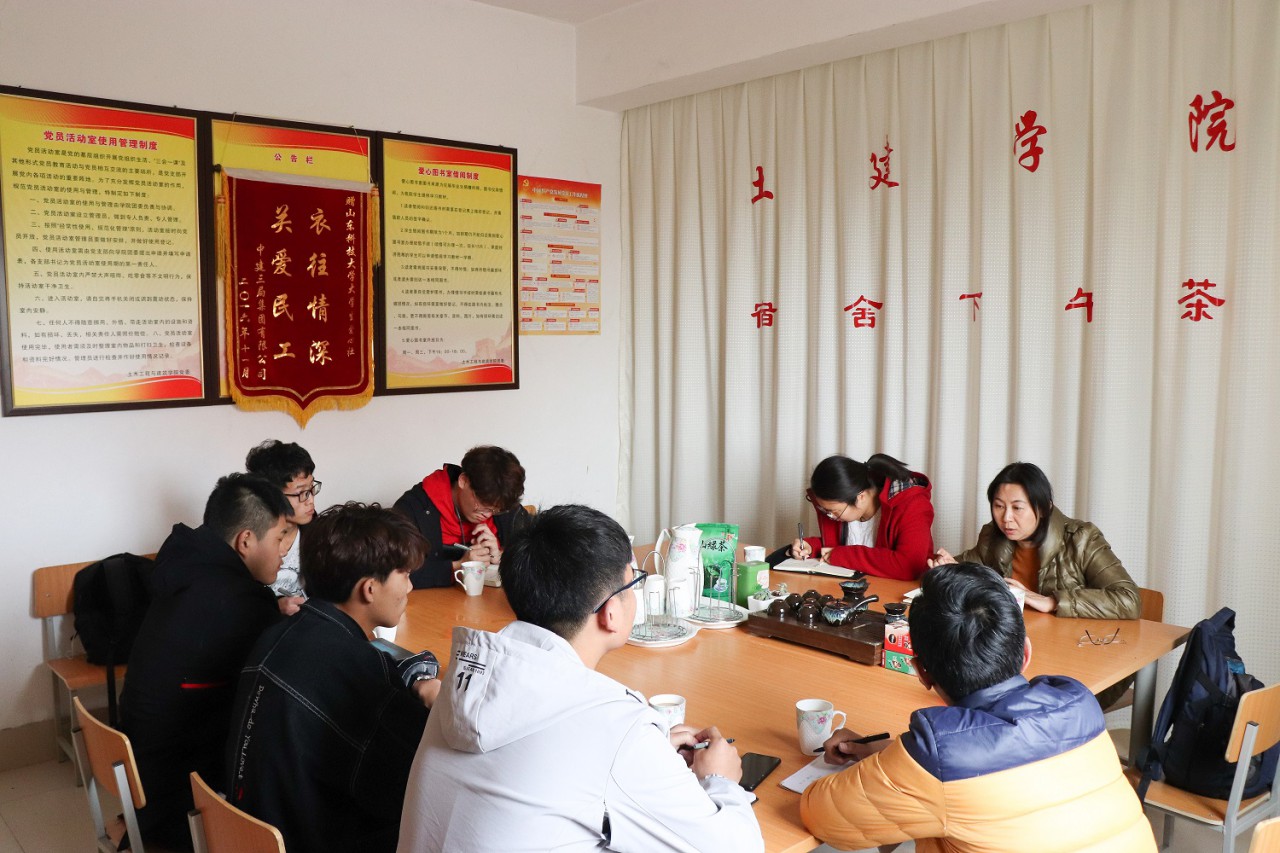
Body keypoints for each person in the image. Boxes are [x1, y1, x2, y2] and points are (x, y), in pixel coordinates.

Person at [397, 504, 764, 852]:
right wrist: (720, 780)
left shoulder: (470, 680)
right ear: (610, 612)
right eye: (633, 584)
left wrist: (647, 757)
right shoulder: (616, 730)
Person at [800, 562, 1156, 852]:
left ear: (921, 671)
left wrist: (894, 763)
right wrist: (886, 753)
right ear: (1025, 653)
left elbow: (821, 815)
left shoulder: (940, 754)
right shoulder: (1078, 702)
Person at [227, 503, 438, 853]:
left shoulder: (277, 633)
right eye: (404, 574)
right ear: (369, 589)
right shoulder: (361, 672)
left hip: (247, 835)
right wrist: (434, 706)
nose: (410, 586)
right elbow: (417, 779)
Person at [120, 473, 291, 849]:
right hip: (183, 804)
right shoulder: (243, 602)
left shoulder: (184, 563)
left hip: (143, 775)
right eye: (280, 538)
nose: (284, 551)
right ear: (246, 540)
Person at [930, 462, 1141, 619]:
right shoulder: (992, 537)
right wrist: (950, 569)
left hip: (1071, 645)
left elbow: (1129, 600)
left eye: (1017, 508)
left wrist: (1053, 602)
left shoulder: (1082, 539)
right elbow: (968, 569)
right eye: (999, 506)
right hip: (1017, 639)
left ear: (1043, 508)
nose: (1006, 518)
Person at [774, 453, 934, 580]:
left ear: (861, 497)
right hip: (851, 588)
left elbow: (908, 566)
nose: (830, 517)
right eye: (825, 511)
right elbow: (843, 544)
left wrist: (840, 555)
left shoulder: (912, 505)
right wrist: (812, 546)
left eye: (834, 511)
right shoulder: (844, 506)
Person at [393, 445, 531, 588]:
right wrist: (459, 565)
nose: (487, 514)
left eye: (495, 510)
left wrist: (500, 558)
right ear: (463, 481)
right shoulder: (413, 508)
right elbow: (394, 573)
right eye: (483, 504)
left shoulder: (503, 504)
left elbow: (537, 555)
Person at [245, 439, 320, 615]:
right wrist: (275, 607)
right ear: (270, 495)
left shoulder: (318, 533)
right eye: (301, 493)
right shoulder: (249, 541)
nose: (310, 500)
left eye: (312, 489)